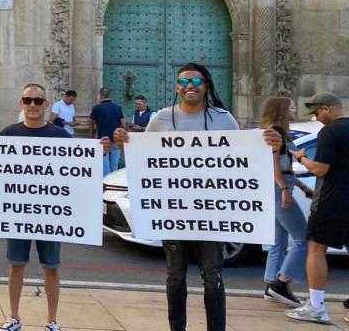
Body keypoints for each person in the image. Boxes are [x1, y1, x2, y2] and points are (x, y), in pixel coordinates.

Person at [108, 63, 281, 331]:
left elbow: (243, 160)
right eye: (184, 81)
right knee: (175, 276)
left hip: (212, 215)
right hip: (173, 213)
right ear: (177, 87)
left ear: (207, 85)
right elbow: (145, 159)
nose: (190, 86)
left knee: (212, 276)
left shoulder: (224, 119)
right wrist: (124, 142)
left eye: (196, 81)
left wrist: (269, 145)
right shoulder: (162, 119)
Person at [0, 83, 71, 331]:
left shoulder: (59, 135)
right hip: (17, 213)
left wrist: (100, 149)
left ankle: (52, 321)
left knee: (51, 268)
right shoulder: (9, 133)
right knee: (16, 265)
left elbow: (78, 169)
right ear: (21, 103)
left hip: (49, 213)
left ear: (46, 105)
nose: (32, 105)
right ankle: (13, 317)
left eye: (37, 101)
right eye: (27, 100)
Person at [285, 92, 349, 324]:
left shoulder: (330, 132)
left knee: (316, 248)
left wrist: (301, 158)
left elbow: (321, 169)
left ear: (329, 109)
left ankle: (316, 306)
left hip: (330, 201)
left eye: (318, 112)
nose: (317, 118)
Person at [260, 96, 310, 307]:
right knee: (303, 238)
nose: (295, 108)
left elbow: (284, 165)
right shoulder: (276, 132)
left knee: (278, 241)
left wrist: (302, 186)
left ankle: (272, 285)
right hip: (278, 188)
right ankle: (280, 284)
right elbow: (273, 167)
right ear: (281, 110)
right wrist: (284, 190)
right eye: (291, 106)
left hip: (280, 186)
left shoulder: (278, 132)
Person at [90, 88, 126, 175]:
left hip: (103, 140)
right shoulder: (118, 108)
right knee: (114, 167)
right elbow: (123, 124)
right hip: (115, 140)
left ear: (100, 95)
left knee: (104, 167)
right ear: (109, 95)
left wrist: (92, 135)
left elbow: (91, 123)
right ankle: (114, 185)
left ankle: (106, 185)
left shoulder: (96, 108)